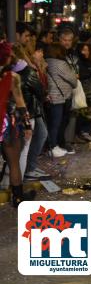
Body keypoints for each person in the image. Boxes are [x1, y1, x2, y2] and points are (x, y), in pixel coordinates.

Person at [0, 42, 35, 207]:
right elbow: (20, 102)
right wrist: (27, 125)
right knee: (14, 162)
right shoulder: (13, 78)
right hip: (7, 124)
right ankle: (18, 198)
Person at [12, 45, 48, 181]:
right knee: (22, 151)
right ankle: (18, 184)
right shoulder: (26, 73)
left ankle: (12, 183)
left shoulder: (9, 73)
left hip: (13, 115)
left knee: (15, 151)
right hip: (26, 113)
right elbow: (39, 92)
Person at [46, 43, 78, 158]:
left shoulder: (47, 61)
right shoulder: (60, 63)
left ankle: (53, 146)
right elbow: (73, 80)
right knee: (57, 123)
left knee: (53, 122)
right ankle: (54, 147)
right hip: (59, 97)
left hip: (52, 96)